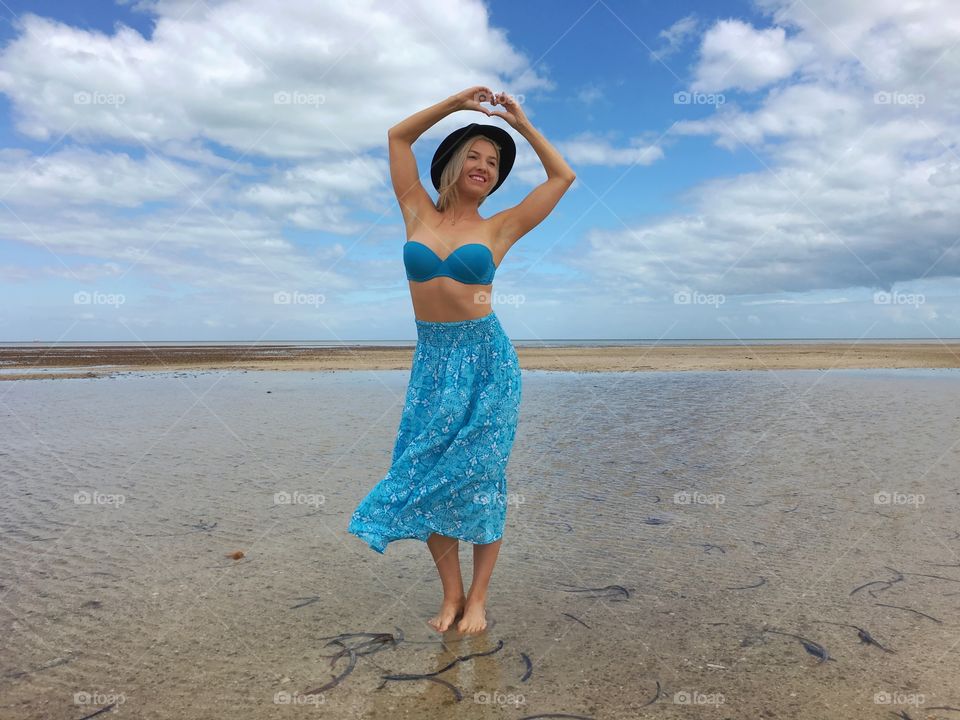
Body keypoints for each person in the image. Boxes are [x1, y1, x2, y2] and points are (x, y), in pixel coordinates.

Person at [347, 86, 575, 634]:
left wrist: (519, 122)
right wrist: (455, 105)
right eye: (473, 154)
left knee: (480, 481)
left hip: (487, 363)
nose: (484, 166)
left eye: (493, 163)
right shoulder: (415, 210)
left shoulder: (500, 227)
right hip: (433, 363)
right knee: (428, 475)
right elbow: (397, 136)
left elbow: (562, 178)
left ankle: (479, 600)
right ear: (451, 162)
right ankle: (450, 596)